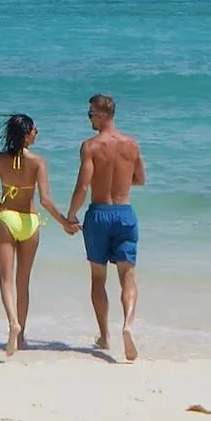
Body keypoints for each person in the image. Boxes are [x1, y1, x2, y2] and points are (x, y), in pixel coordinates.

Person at [0, 113, 75, 357]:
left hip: (6, 219)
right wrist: (64, 222)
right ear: (27, 134)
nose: (37, 133)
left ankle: (12, 322)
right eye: (35, 130)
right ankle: (21, 338)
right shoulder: (38, 162)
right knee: (23, 282)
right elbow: (45, 200)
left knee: (5, 280)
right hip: (30, 222)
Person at [63, 93, 145, 362]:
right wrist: (119, 185)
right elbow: (140, 179)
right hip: (125, 214)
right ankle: (128, 326)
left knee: (98, 278)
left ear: (101, 115)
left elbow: (83, 186)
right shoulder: (132, 145)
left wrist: (71, 215)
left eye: (90, 114)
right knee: (128, 277)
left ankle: (104, 337)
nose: (89, 119)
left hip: (98, 214)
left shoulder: (90, 146)